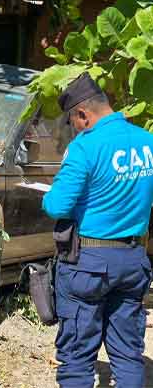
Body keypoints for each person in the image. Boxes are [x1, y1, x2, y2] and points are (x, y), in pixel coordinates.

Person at [42, 72, 152, 388]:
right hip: (133, 261)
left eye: (72, 121)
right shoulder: (148, 142)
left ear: (83, 114)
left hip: (87, 265)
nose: (74, 128)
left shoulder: (85, 148)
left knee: (77, 355)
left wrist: (50, 195)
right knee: (128, 353)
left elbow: (57, 206)